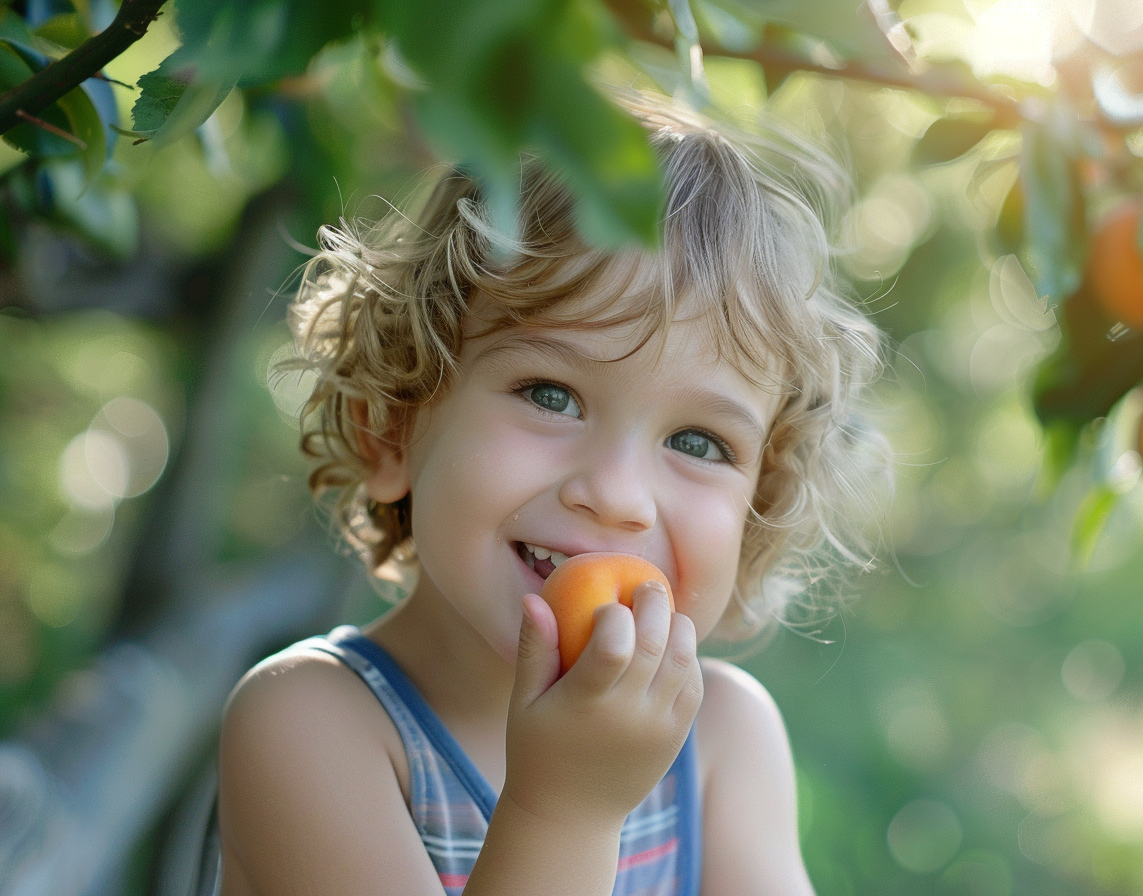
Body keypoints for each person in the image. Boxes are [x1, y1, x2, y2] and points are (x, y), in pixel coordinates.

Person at [216, 92, 891, 896]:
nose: (617, 495)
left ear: (755, 513)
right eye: (550, 395)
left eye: (697, 443)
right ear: (392, 428)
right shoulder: (310, 723)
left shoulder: (722, 744)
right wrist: (566, 812)